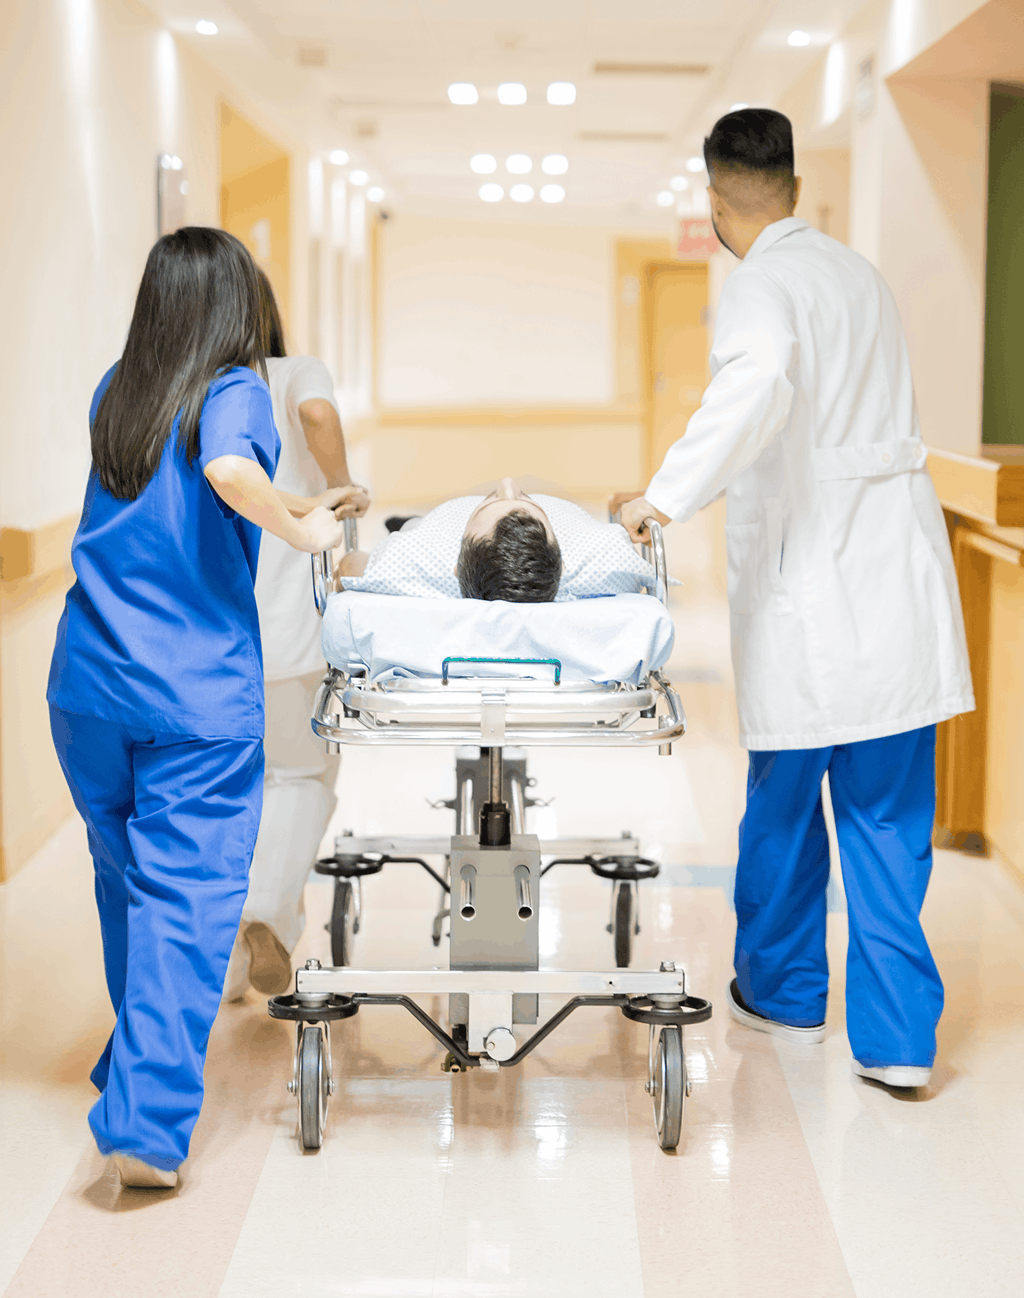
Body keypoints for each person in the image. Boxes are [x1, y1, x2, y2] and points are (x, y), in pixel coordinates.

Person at [617, 108, 973, 1091]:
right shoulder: (858, 275)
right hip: (891, 580)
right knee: (890, 819)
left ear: (713, 196)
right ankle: (900, 1040)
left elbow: (759, 381)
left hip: (811, 586)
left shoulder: (760, 285)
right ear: (794, 189)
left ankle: (780, 993)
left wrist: (663, 494)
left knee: (782, 806)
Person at [47, 227, 350, 1189]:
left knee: (127, 884)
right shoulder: (233, 391)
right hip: (192, 696)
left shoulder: (117, 389)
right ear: (234, 309)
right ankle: (145, 1121)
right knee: (184, 899)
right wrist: (303, 522)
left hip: (89, 684)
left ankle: (135, 1063)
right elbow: (229, 471)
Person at [223, 272, 369, 1000]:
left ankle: (217, 961)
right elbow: (315, 412)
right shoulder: (292, 371)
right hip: (287, 625)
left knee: (227, 789)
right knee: (299, 774)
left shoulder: (204, 389)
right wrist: (341, 490)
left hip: (216, 632)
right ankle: (269, 916)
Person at [337, 478, 657, 603]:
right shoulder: (605, 564)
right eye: (524, 499)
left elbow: (351, 567)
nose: (508, 483)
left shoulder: (415, 558)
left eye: (488, 502)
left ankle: (408, 524)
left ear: (456, 559)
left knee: (411, 528)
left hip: (431, 525)